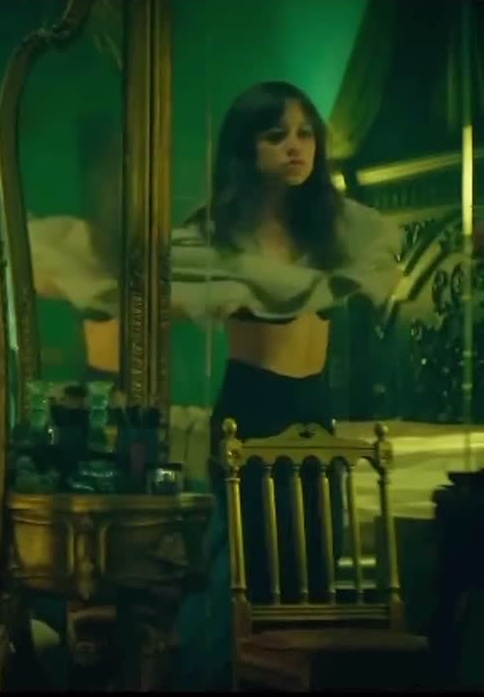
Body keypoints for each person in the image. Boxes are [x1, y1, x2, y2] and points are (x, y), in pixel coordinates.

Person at [171, 80, 403, 689]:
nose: (296, 147)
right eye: (276, 136)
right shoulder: (218, 234)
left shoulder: (335, 226)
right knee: (243, 578)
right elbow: (172, 284)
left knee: (313, 568)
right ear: (246, 149)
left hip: (314, 408)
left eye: (305, 134)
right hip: (251, 409)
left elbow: (385, 254)